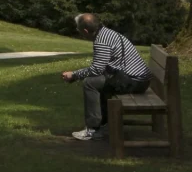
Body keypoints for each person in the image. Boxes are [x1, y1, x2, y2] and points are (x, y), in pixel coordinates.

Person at [61, 13, 152, 141]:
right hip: (139, 78)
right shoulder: (106, 33)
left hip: (134, 81)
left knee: (90, 83)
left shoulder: (101, 41)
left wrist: (74, 75)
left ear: (85, 31)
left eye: (78, 29)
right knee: (100, 82)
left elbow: (96, 69)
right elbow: (101, 68)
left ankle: (93, 129)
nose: (78, 32)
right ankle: (105, 123)